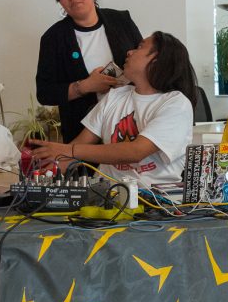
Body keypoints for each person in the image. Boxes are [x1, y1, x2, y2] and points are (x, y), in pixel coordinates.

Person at [29, 32, 197, 188]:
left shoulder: (175, 103)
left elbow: (136, 151)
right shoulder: (115, 96)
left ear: (157, 59)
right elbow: (77, 147)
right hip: (105, 196)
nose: (129, 52)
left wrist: (70, 151)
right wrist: (49, 170)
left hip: (155, 203)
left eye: (139, 47)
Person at [35, 0, 143, 143]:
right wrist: (84, 86)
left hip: (132, 126)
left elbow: (144, 63)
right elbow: (45, 92)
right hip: (83, 135)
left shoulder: (121, 20)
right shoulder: (53, 38)